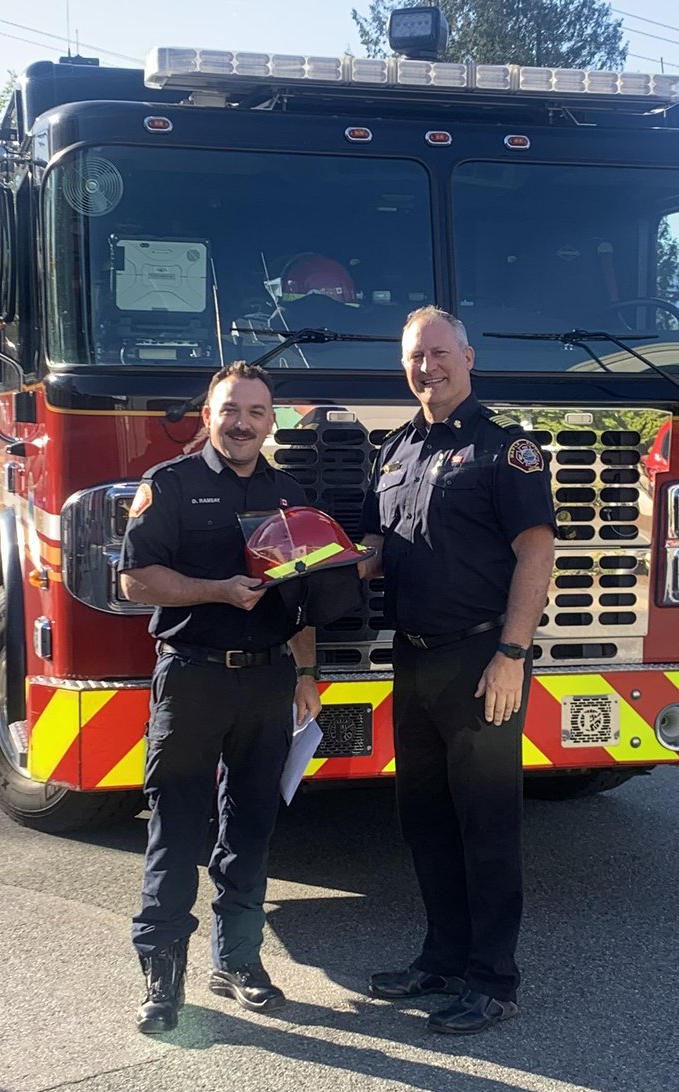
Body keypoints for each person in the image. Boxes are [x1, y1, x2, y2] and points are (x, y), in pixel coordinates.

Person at [360, 306, 556, 1035]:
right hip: (411, 659)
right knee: (426, 819)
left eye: (440, 353)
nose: (427, 367)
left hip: (482, 662)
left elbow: (537, 552)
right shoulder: (397, 448)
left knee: (487, 825)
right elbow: (382, 545)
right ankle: (440, 959)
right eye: (416, 357)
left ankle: (492, 979)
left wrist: (512, 654)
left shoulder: (505, 449)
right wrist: (327, 561)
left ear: (468, 358)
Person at [119, 360, 322, 1035]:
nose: (242, 424)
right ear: (210, 414)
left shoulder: (291, 492)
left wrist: (305, 674)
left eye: (257, 413)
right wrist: (218, 591)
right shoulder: (169, 485)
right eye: (230, 409)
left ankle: (238, 962)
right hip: (193, 676)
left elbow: (302, 599)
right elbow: (136, 582)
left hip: (268, 681)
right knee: (177, 826)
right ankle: (161, 976)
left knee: (252, 826)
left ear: (272, 422)